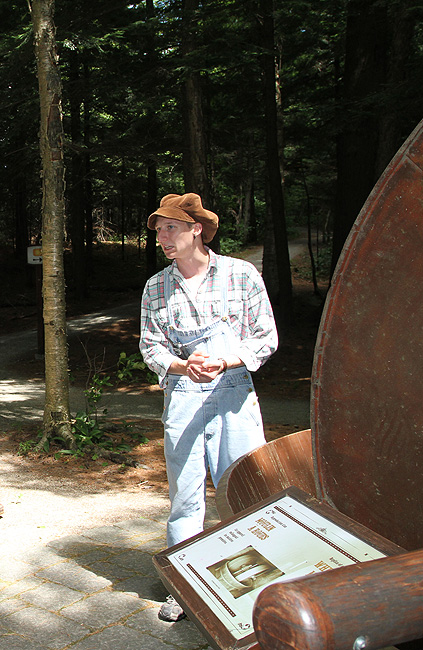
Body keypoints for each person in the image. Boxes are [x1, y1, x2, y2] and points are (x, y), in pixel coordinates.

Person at [139, 193, 278, 622]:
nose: (162, 237)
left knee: (244, 493)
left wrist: (226, 360)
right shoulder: (156, 286)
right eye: (159, 230)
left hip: (235, 394)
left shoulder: (241, 274)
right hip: (183, 395)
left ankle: (251, 587)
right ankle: (186, 587)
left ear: (195, 228)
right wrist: (182, 365)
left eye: (170, 228)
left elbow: (265, 337)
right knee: (185, 498)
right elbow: (151, 345)